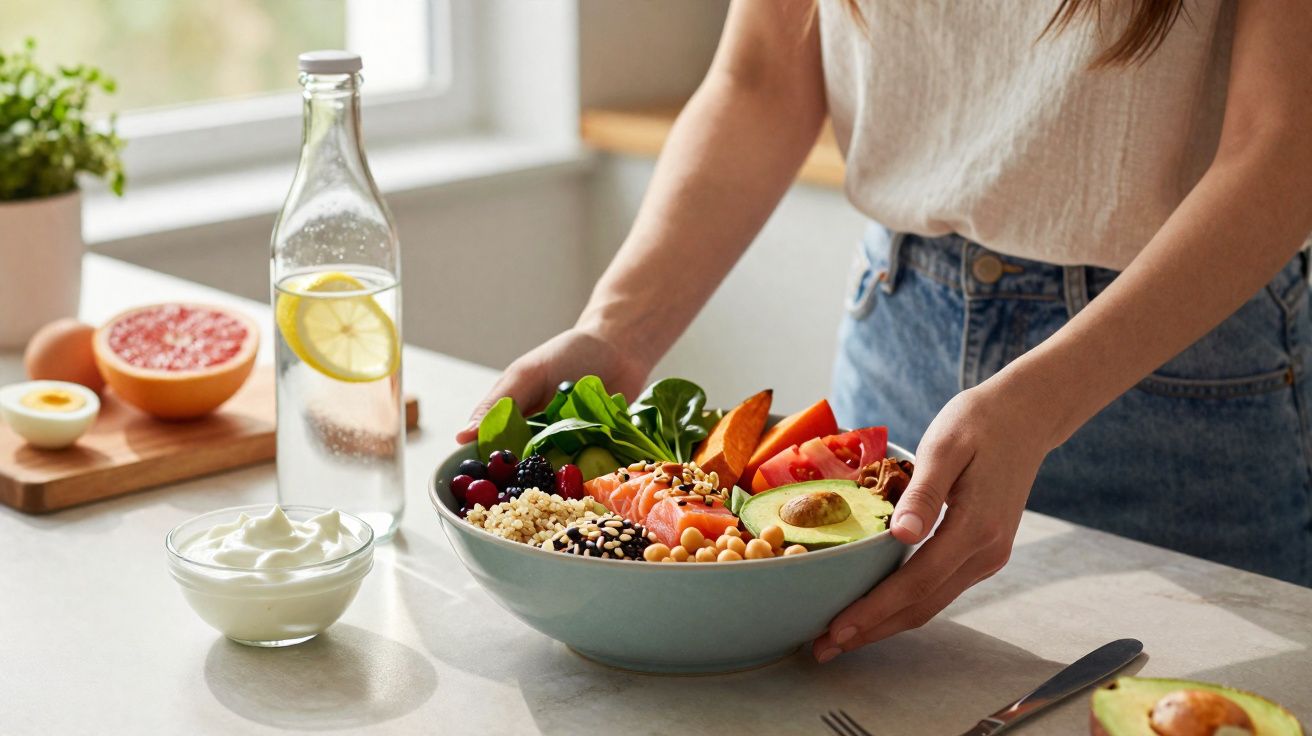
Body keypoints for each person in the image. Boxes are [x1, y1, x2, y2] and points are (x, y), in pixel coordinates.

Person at [456, 0, 1312, 662]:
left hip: (1179, 373)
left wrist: (1043, 402)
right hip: (900, 330)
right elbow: (762, 76)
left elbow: (1285, 146)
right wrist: (616, 333)